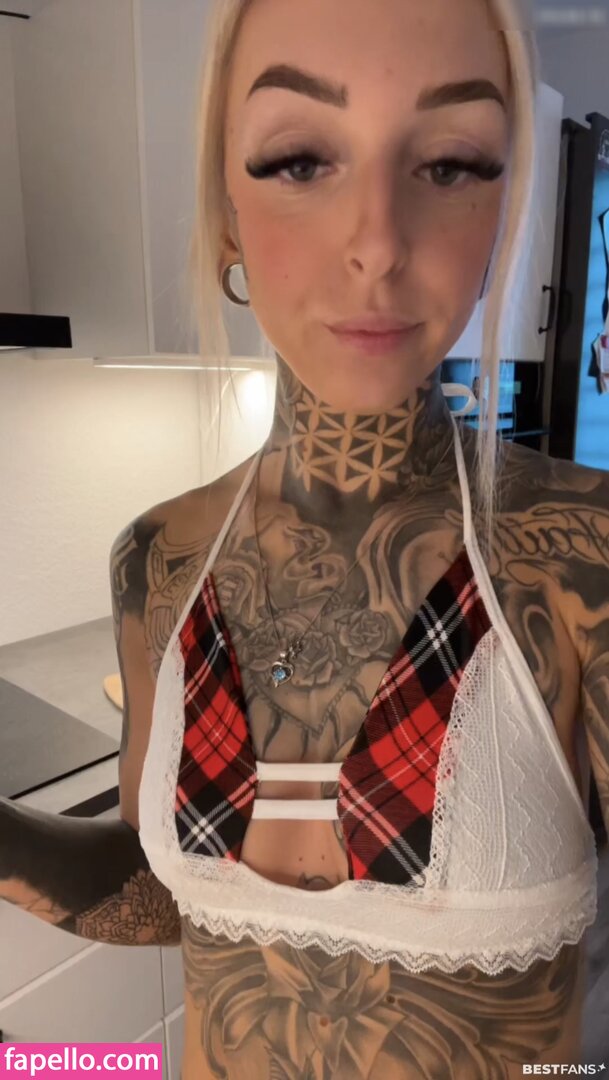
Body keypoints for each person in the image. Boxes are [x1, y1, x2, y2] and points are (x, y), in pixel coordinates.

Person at [1, 0, 608, 1076]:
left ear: (503, 211)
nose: (377, 243)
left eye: (452, 164)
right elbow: (169, 893)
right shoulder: (158, 560)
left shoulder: (578, 557)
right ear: (225, 215)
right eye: (298, 160)